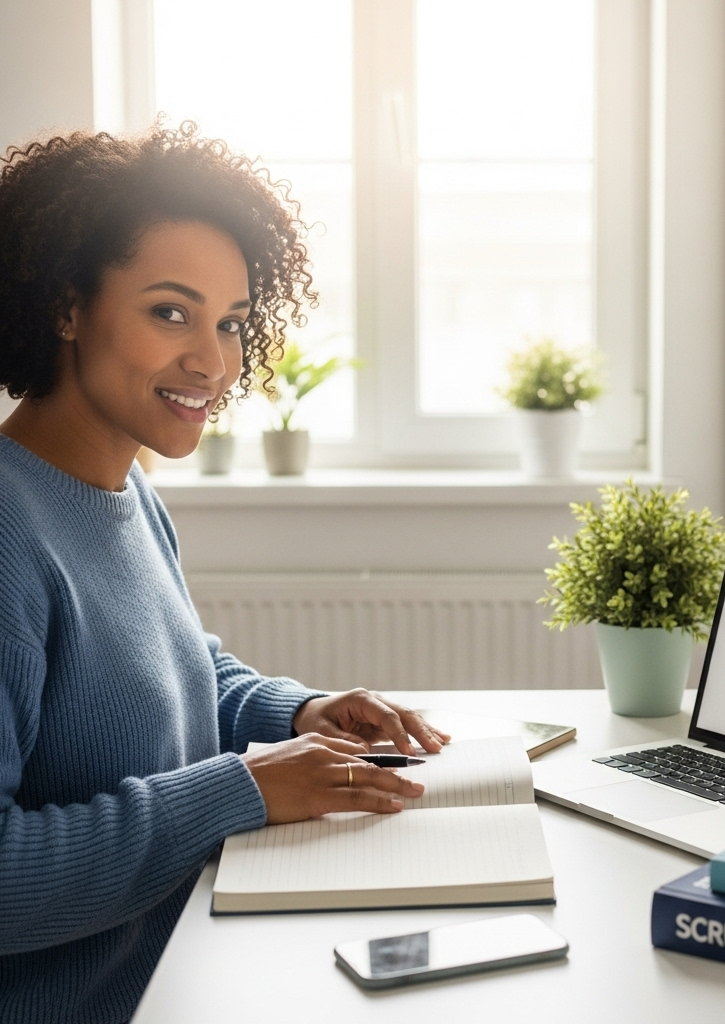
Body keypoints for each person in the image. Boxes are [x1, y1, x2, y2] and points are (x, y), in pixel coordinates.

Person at [0, 123, 450, 1023]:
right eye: (171, 312)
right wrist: (236, 790)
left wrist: (298, 712)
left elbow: (177, 672)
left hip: (193, 966)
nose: (213, 361)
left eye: (231, 322)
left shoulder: (123, 489)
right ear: (65, 307)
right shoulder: (10, 533)